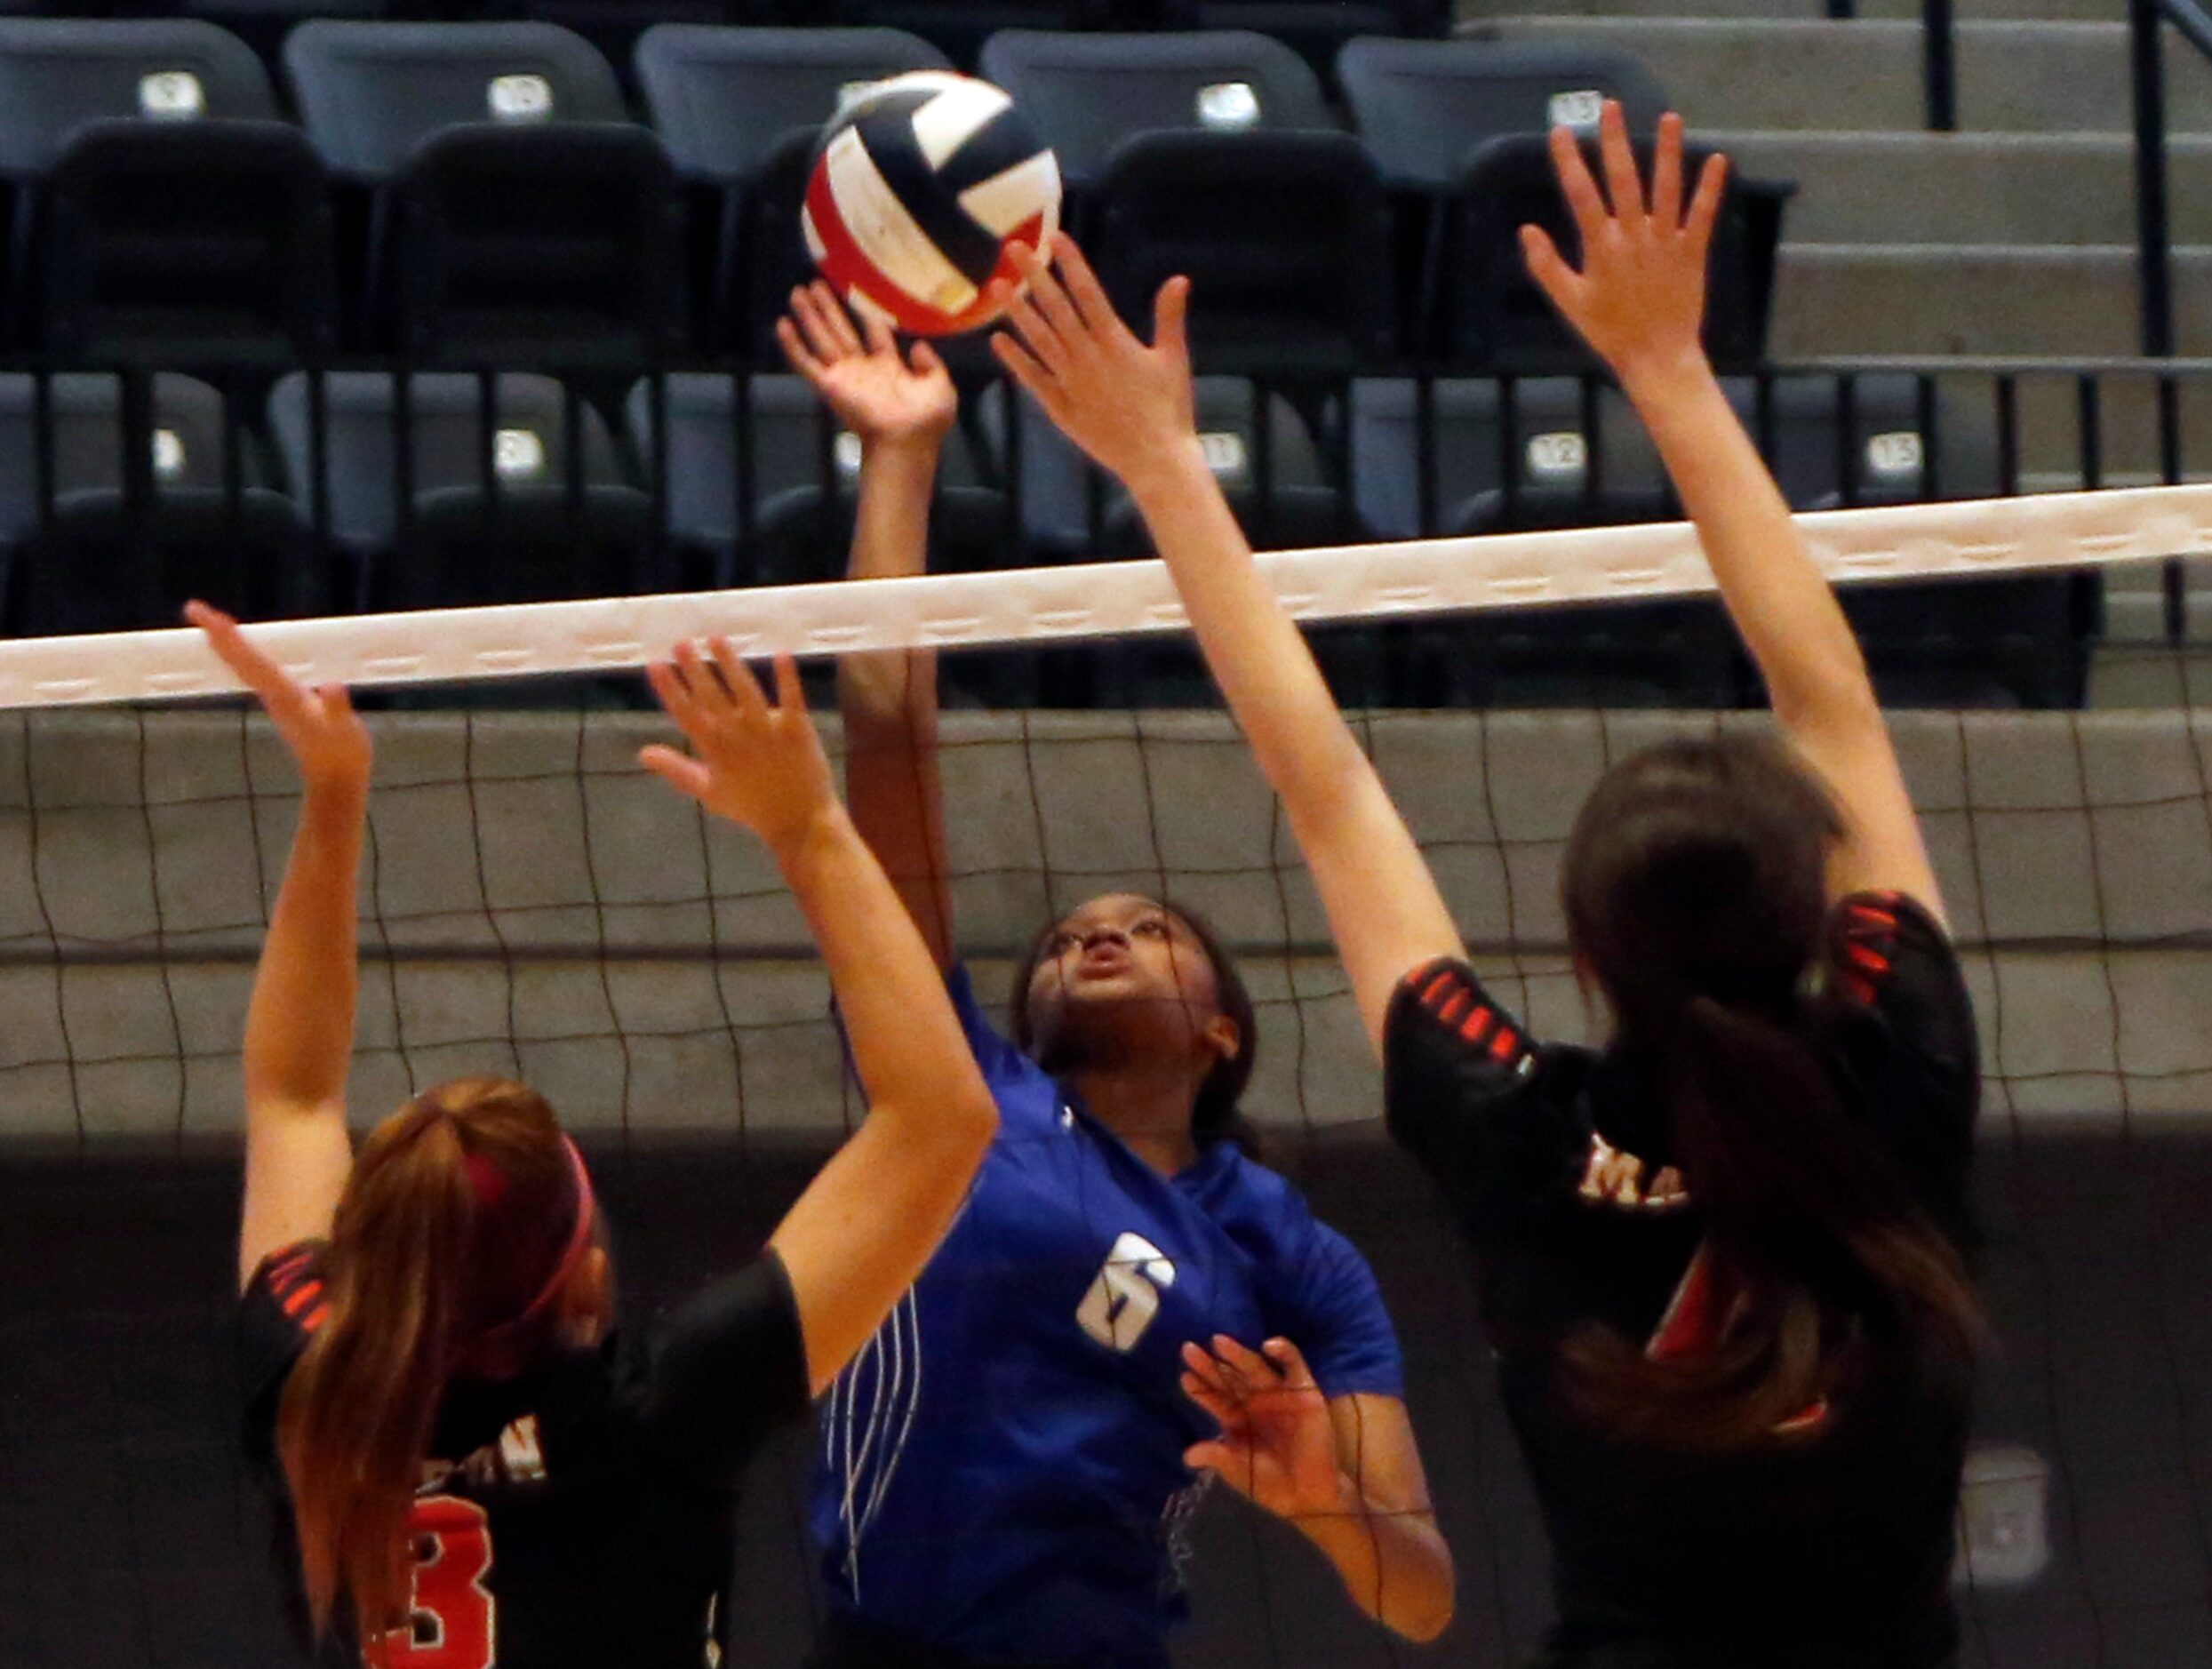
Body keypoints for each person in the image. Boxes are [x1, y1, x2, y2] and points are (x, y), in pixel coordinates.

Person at [990, 105, 1983, 1669]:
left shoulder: (1520, 1128)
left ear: (1589, 952)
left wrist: (1166, 467)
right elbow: (1832, 704)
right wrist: (1669, 366)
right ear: (1814, 917)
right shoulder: (1899, 1066)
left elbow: (1327, 790)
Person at [771, 283, 1454, 1668]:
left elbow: (1423, 1591)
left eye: (1147, 927)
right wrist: (901, 459)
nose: (1096, 936)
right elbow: (887, 735)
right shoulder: (951, 1092)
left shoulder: (1288, 1252)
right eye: (1070, 935)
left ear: (1219, 1029)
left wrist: (1327, 1511)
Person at [201, 600, 998, 1669]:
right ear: (583, 1277)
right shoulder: (651, 1422)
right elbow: (946, 1115)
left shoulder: (309, 1394)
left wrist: (333, 790)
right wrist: (808, 826)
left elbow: (291, 1095)